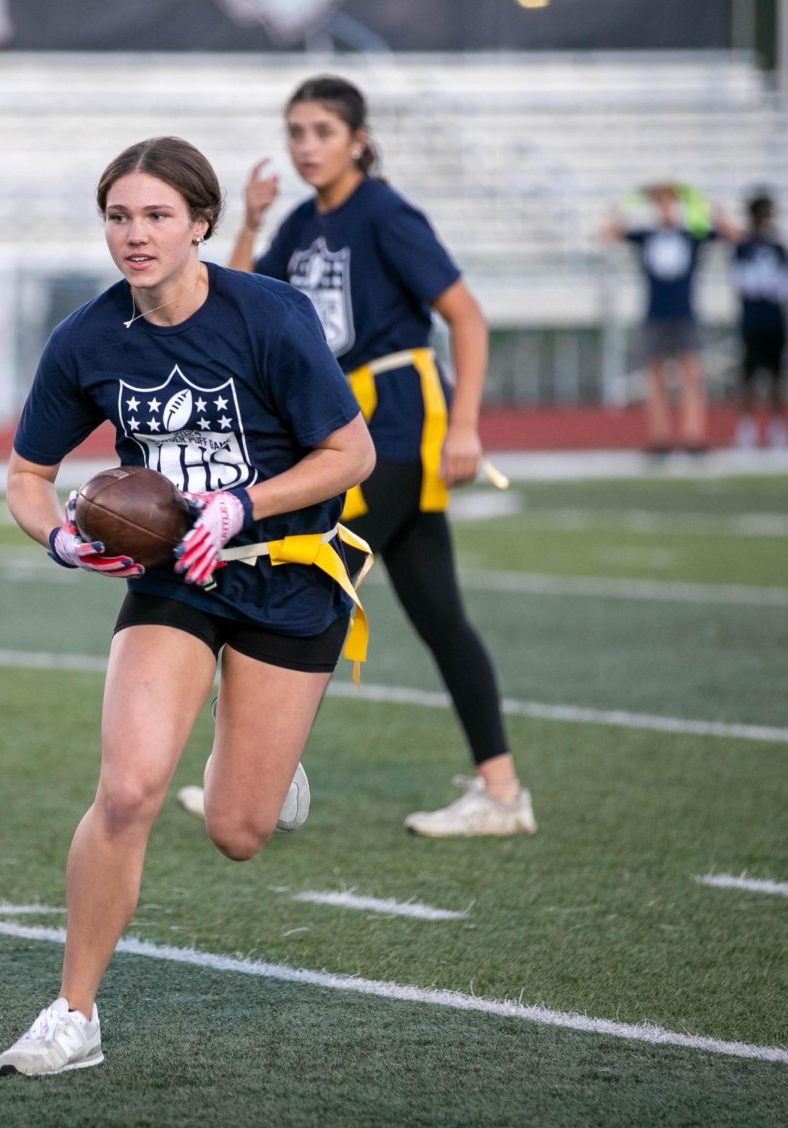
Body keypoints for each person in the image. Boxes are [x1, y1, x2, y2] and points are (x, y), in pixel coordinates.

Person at [0, 136, 374, 1077]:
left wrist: (243, 501)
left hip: (287, 567)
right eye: (119, 216)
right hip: (173, 579)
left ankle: (268, 765)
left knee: (237, 833)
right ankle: (72, 1014)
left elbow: (351, 455)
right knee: (127, 791)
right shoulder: (85, 337)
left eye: (158, 215)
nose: (136, 234)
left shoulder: (270, 315)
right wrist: (57, 536)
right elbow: (26, 475)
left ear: (201, 223)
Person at [176, 74, 536, 838]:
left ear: (358, 140)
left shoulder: (387, 214)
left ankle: (249, 772)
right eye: (296, 131)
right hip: (351, 428)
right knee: (440, 614)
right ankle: (502, 793)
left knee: (301, 563)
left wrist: (467, 424)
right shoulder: (304, 221)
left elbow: (466, 318)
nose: (306, 146)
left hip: (399, 424)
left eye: (322, 132)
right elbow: (231, 293)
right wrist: (252, 219)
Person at [602, 182, 726, 454]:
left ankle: (694, 435)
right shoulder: (646, 236)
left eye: (671, 203)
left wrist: (698, 199)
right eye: (661, 203)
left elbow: (729, 232)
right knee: (655, 377)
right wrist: (630, 201)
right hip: (655, 313)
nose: (667, 209)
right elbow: (608, 232)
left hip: (685, 314)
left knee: (691, 376)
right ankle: (660, 437)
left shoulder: (691, 235)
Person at [732, 193, 788, 450]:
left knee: (778, 377)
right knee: (748, 378)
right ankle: (746, 430)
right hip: (752, 321)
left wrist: (771, 285)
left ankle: (778, 430)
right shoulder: (743, 248)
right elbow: (743, 283)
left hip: (775, 321)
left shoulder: (780, 249)